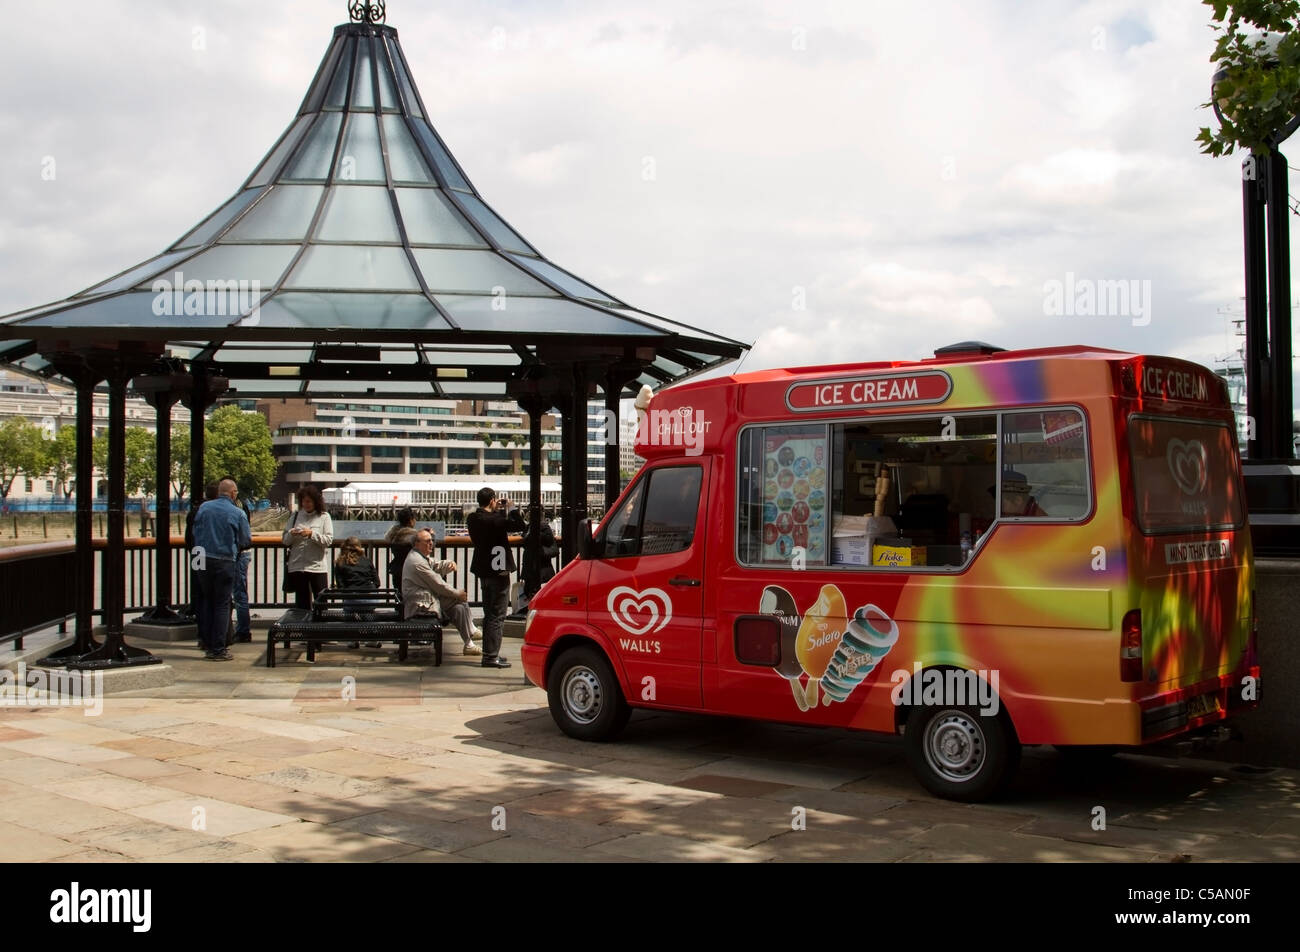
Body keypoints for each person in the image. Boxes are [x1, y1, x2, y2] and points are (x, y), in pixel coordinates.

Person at [191, 478, 252, 661]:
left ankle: (207, 642)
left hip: (202, 558)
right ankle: (218, 648)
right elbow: (246, 539)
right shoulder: (238, 513)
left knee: (207, 600)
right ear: (233, 493)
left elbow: (196, 533)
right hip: (225, 561)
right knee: (222, 604)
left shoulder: (204, 508)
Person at [466, 487, 524, 669]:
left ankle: (490, 653)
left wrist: (497, 510)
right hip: (499, 571)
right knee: (497, 615)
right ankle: (491, 656)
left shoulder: (473, 518)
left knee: (488, 612)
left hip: (484, 571)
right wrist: (512, 508)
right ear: (492, 500)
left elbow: (491, 520)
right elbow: (520, 526)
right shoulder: (497, 520)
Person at [402, 528, 481, 656]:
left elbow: (435, 564)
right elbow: (437, 583)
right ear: (417, 543)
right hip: (420, 605)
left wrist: (448, 563)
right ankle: (470, 635)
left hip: (428, 599)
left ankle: (469, 641)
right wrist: (457, 593)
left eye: (431, 541)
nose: (431, 544)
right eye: (427, 541)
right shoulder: (416, 562)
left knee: (459, 608)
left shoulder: (419, 556)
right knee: (458, 600)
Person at [283, 484, 333, 610]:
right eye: (303, 501)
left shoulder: (324, 517)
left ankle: (321, 627)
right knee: (302, 604)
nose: (306, 504)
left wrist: (311, 534)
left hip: (317, 567)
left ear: (315, 501)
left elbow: (328, 540)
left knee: (321, 603)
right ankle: (304, 627)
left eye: (309, 501)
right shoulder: (295, 516)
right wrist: (291, 534)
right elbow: (285, 541)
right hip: (298, 567)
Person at [516, 513, 558, 616]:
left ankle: (536, 614)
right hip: (531, 565)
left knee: (536, 592)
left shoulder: (543, 526)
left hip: (539, 567)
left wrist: (535, 534)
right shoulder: (529, 526)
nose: (528, 514)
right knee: (531, 591)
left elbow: (548, 540)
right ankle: (533, 613)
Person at [232, 495, 253, 643]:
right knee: (239, 593)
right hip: (241, 554)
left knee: (238, 594)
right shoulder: (241, 506)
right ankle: (242, 630)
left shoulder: (238, 508)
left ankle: (243, 630)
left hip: (238, 555)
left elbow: (245, 539)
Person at [385, 507, 417, 583]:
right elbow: (426, 547)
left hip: (396, 570)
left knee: (398, 592)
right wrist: (431, 536)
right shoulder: (414, 536)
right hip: (411, 570)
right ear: (410, 521)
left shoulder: (393, 535)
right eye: (414, 519)